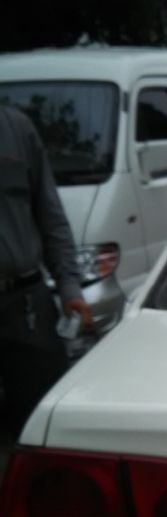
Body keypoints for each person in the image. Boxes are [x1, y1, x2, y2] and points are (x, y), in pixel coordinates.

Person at [0, 104, 92, 432]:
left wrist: (70, 288)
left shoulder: (16, 128)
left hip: (25, 305)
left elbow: (51, 216)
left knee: (42, 424)